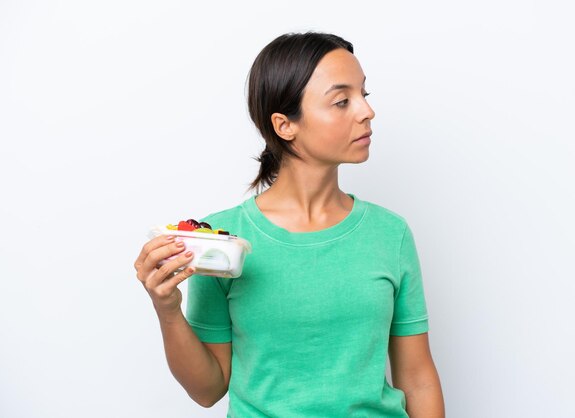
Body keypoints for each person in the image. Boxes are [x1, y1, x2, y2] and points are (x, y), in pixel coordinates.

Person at [134, 31, 445, 417]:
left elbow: (417, 377)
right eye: (342, 101)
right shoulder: (221, 244)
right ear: (284, 125)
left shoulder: (390, 234)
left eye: (365, 95)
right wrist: (167, 309)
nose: (366, 111)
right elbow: (208, 389)